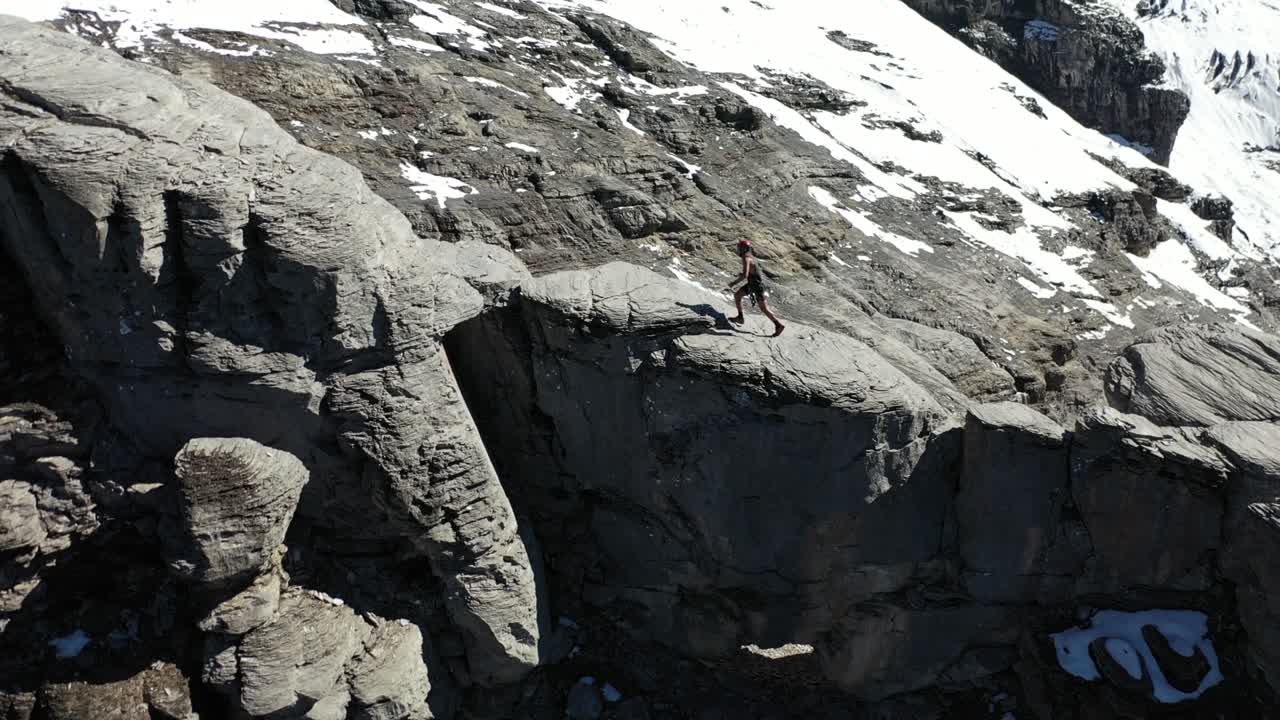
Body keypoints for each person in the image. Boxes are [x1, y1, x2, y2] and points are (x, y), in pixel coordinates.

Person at [726, 239, 785, 337]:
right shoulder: (750, 257)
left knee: (764, 308)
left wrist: (733, 283)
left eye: (740, 248)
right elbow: (750, 272)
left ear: (743, 249)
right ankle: (740, 317)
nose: (738, 250)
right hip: (752, 284)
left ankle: (778, 325)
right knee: (737, 295)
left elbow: (745, 275)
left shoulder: (746, 258)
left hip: (757, 286)